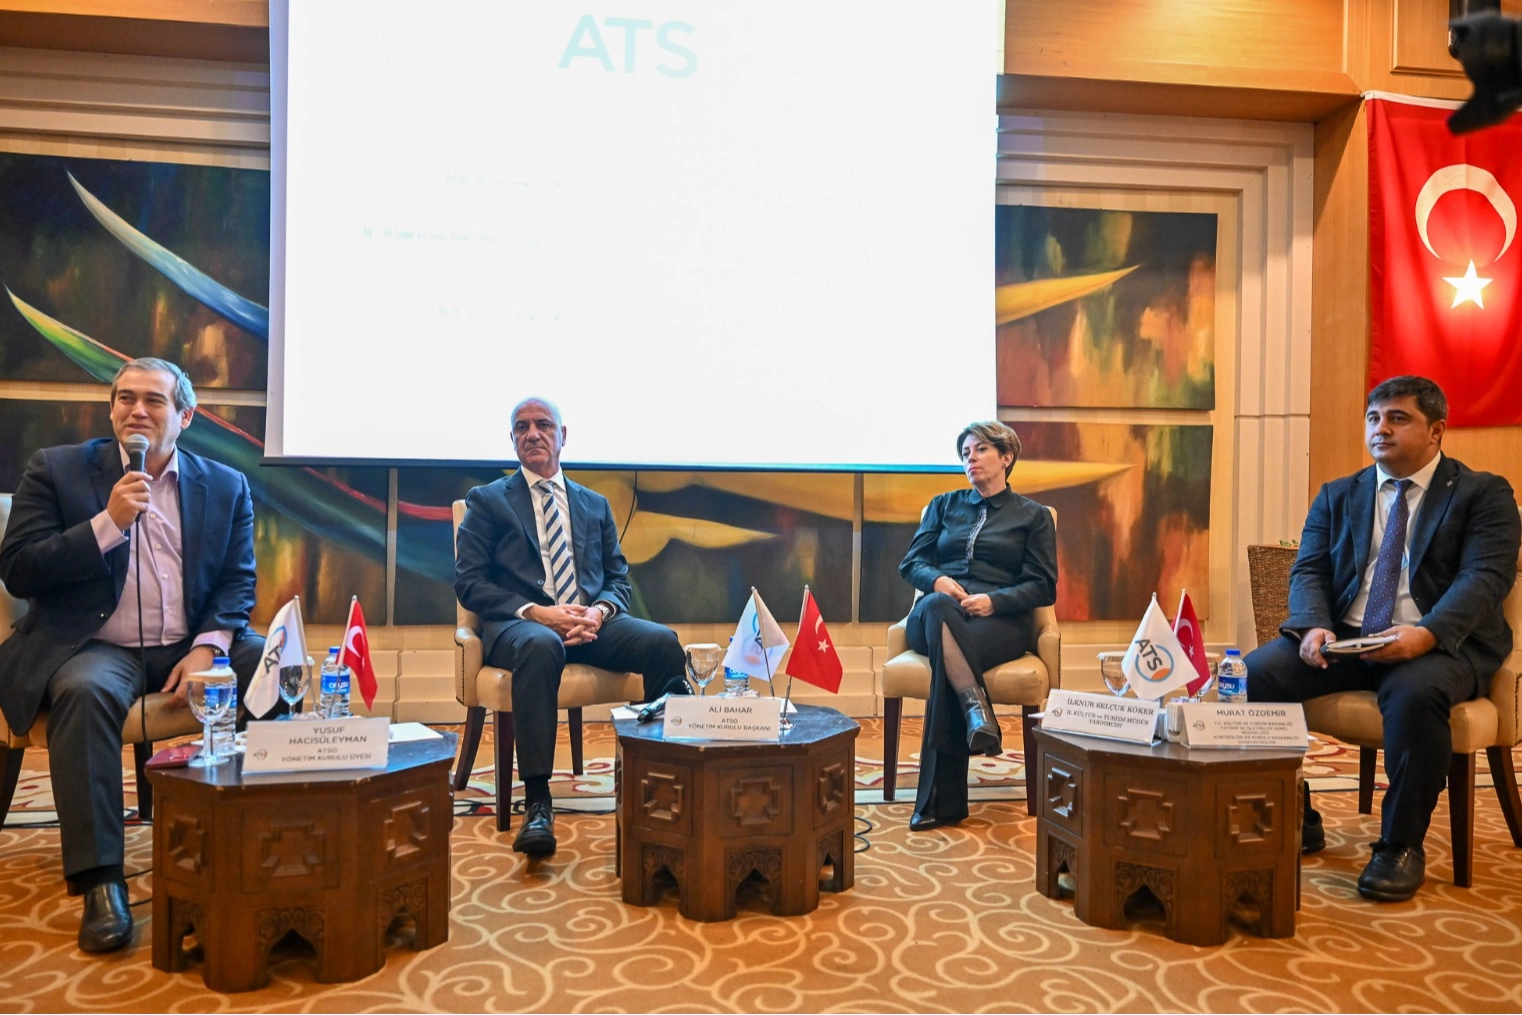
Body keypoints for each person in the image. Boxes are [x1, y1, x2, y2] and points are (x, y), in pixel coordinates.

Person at [0, 357, 266, 953]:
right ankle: (101, 881)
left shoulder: (226, 485)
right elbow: (19, 570)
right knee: (84, 692)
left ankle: (269, 839)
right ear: (112, 409)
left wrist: (210, 646)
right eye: (125, 398)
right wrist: (107, 524)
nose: (137, 410)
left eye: (153, 400)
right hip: (94, 645)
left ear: (186, 416)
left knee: (271, 668)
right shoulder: (58, 470)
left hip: (186, 644)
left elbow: (237, 582)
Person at [1246, 375, 1519, 902]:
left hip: (1441, 642)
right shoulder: (1339, 494)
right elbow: (1309, 570)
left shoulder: (1482, 494)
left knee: (1415, 694)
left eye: (1398, 418)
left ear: (1436, 430)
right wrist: (1313, 625)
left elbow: (1484, 579)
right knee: (1253, 677)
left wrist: (1427, 634)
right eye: (1374, 418)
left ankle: (1400, 845)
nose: (1381, 429)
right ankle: (1295, 812)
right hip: (1348, 636)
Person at [454, 397, 689, 857]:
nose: (532, 434)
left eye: (543, 425)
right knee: (542, 645)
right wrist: (538, 614)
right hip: (522, 629)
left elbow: (618, 579)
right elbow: (469, 584)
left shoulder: (593, 504)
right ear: (512, 440)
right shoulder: (488, 501)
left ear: (563, 436)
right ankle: (538, 803)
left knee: (663, 643)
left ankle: (667, 781)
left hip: (589, 625)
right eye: (521, 427)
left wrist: (598, 612)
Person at [898, 420, 1058, 831]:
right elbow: (911, 563)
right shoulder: (943, 505)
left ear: (1006, 457)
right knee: (939, 609)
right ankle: (977, 711)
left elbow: (1043, 585)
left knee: (949, 663)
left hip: (998, 623)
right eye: (965, 453)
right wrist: (937, 581)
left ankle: (939, 802)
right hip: (933, 615)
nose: (971, 458)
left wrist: (994, 601)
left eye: (980, 450)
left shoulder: (1034, 516)